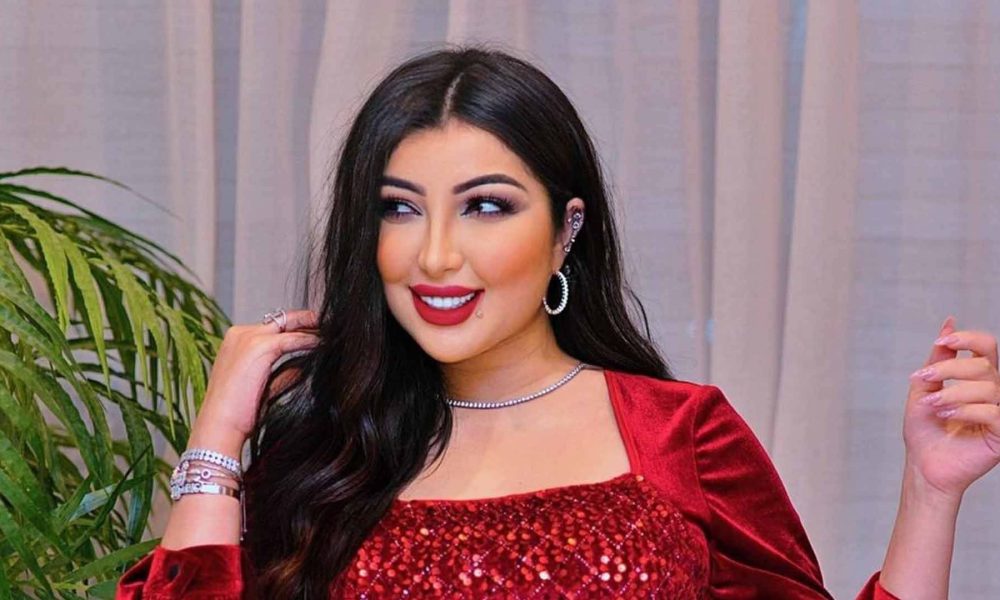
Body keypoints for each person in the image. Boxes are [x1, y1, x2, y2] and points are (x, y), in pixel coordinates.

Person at [116, 45, 1000, 599]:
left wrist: (931, 493)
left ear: (566, 230)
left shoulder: (682, 435)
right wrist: (218, 438)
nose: (435, 255)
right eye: (400, 209)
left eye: (486, 206)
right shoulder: (326, 455)